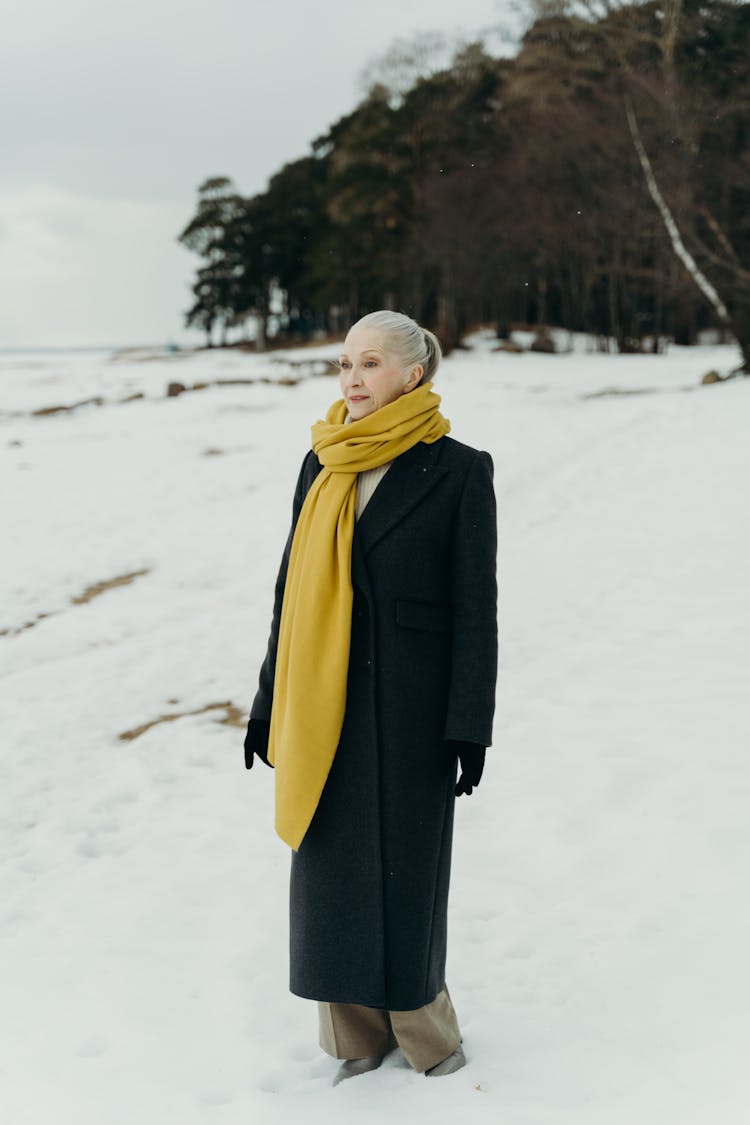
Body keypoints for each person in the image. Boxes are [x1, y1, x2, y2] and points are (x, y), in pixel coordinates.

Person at [244, 309, 498, 1084]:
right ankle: (355, 1035)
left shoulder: (457, 469)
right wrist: (265, 704)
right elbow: (292, 598)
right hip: (323, 705)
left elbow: (474, 610)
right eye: (345, 364)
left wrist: (468, 723)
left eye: (370, 364)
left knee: (411, 871)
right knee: (330, 873)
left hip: (416, 710)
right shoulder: (321, 464)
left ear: (413, 374)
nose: (351, 380)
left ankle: (425, 1032)